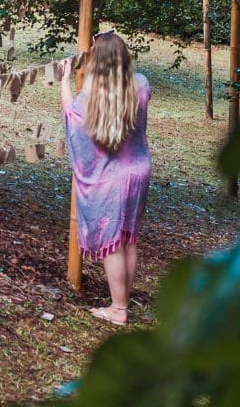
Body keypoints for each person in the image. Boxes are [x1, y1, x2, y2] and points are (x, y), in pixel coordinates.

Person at [61, 29, 152, 326]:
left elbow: (73, 119)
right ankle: (122, 303)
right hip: (139, 172)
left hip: (112, 178)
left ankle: (118, 309)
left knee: (113, 242)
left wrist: (64, 80)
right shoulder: (140, 86)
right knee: (128, 238)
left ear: (97, 63)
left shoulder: (90, 98)